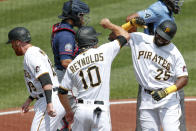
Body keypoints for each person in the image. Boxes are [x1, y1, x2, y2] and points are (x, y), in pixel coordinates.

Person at [58, 18, 130, 131]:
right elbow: (125, 35)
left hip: (80, 111)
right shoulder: (104, 51)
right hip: (100, 111)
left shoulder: (73, 64)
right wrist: (109, 25)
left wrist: (68, 111)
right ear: (93, 41)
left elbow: (62, 91)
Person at [125, 0, 186, 130]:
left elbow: (184, 78)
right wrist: (137, 37)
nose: (178, 2)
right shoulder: (159, 9)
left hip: (164, 71)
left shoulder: (167, 11)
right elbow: (131, 18)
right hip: (151, 63)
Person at [6, 27, 65, 131]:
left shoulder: (31, 55)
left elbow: (45, 78)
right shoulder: (35, 51)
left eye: (12, 43)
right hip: (53, 97)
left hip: (49, 100)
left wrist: (49, 104)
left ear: (18, 42)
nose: (12, 46)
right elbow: (38, 81)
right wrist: (30, 99)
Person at [51, 0, 89, 130]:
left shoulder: (63, 29)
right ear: (75, 16)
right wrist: (85, 66)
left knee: (66, 121)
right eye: (81, 15)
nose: (83, 18)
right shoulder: (66, 35)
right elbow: (65, 61)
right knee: (78, 117)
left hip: (63, 77)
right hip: (67, 81)